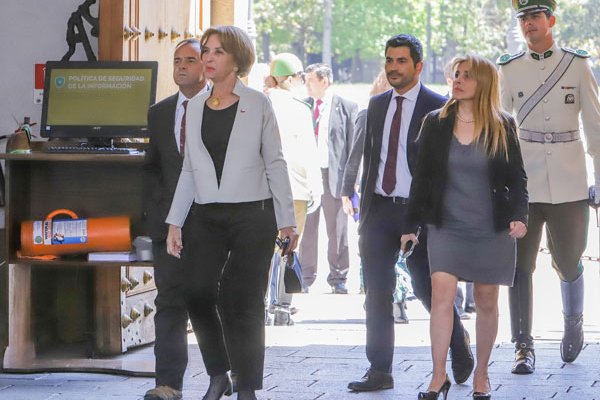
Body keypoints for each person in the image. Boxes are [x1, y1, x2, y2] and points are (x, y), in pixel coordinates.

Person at [165, 26, 298, 400]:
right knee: (196, 292)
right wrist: (175, 221)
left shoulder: (257, 103)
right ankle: (219, 373)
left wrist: (287, 219)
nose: (207, 58)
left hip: (253, 216)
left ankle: (247, 386)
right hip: (206, 215)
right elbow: (190, 168)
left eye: (217, 52)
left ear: (237, 60)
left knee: (243, 300)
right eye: (205, 50)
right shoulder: (193, 107)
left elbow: (275, 162)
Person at [345, 34, 474, 393]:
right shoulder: (375, 105)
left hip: (421, 214)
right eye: (389, 60)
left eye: (401, 61)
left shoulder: (440, 106)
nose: (393, 67)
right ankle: (380, 370)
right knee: (377, 291)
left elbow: (444, 168)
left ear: (418, 66)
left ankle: (459, 346)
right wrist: (363, 206)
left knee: (427, 288)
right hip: (379, 210)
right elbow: (372, 158)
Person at [402, 55, 528, 399]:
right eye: (455, 74)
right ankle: (438, 375)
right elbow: (422, 179)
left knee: (487, 300)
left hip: (492, 228)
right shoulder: (435, 122)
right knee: (442, 295)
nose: (457, 80)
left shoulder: (503, 125)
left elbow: (517, 178)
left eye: (466, 76)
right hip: (447, 226)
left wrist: (520, 215)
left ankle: (482, 375)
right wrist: (411, 224)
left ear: (484, 83)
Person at [498, 0, 600, 374]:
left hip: (570, 181)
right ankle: (523, 346)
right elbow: (499, 129)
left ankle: (574, 324)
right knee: (519, 265)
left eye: (535, 17)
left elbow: (595, 127)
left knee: (569, 261)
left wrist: (599, 177)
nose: (528, 24)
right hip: (524, 184)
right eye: (523, 18)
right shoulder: (509, 69)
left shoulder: (577, 64)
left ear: (551, 20)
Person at [142, 38, 209, 400]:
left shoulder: (222, 107)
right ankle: (167, 384)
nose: (182, 66)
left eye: (190, 60)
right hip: (169, 225)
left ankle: (227, 377)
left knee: (213, 302)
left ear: (206, 66)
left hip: (213, 224)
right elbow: (152, 168)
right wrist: (155, 216)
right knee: (169, 302)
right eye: (177, 60)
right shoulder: (160, 112)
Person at [342, 70, 414, 323]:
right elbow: (355, 157)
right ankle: (379, 299)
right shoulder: (368, 114)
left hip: (405, 200)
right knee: (373, 255)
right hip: (373, 199)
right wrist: (347, 191)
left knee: (402, 258)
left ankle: (398, 298)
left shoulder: (414, 113)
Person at [265, 53, 322, 325]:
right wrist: (315, 188)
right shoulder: (299, 107)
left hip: (263, 187)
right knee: (289, 248)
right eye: (300, 77)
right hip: (295, 187)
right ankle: (283, 307)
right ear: (290, 78)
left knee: (264, 248)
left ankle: (263, 305)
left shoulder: (259, 101)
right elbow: (307, 153)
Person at [299, 63, 358, 294]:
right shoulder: (303, 106)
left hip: (335, 176)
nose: (307, 85)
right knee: (308, 228)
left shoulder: (346, 107)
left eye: (310, 80)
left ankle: (338, 277)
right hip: (310, 176)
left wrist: (352, 183)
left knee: (338, 230)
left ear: (324, 81)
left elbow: (353, 147)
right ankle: (305, 275)